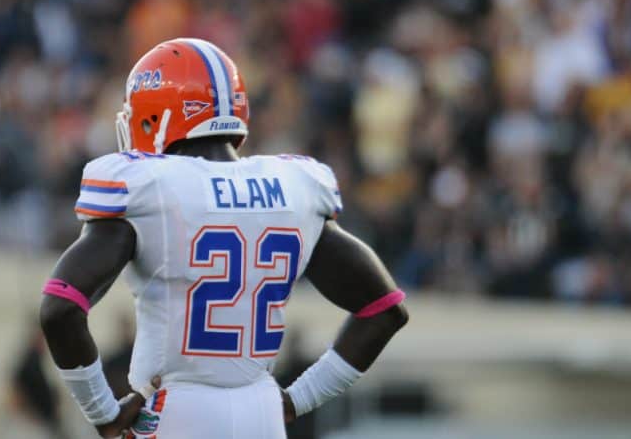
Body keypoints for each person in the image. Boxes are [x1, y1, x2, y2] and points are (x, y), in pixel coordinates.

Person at [40, 38, 409, 438]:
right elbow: (384, 308)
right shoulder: (292, 187)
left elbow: (61, 308)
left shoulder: (151, 188)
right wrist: (299, 398)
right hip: (262, 413)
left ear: (153, 118)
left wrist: (103, 411)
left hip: (177, 412)